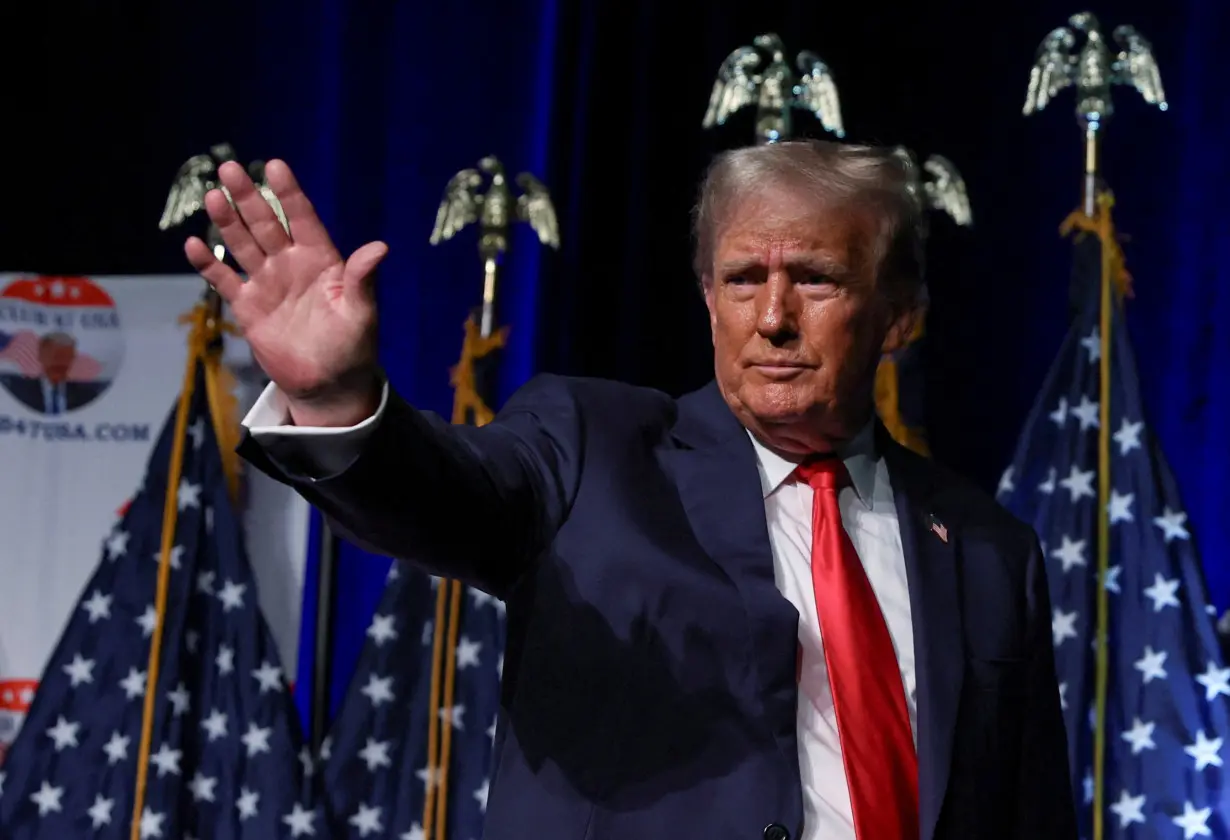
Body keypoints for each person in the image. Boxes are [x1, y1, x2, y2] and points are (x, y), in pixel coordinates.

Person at [187, 140, 1077, 840]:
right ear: (706, 296)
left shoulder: (991, 552)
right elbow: (438, 497)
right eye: (741, 280)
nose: (772, 317)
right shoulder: (593, 447)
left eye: (814, 278)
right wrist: (337, 397)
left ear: (900, 313)